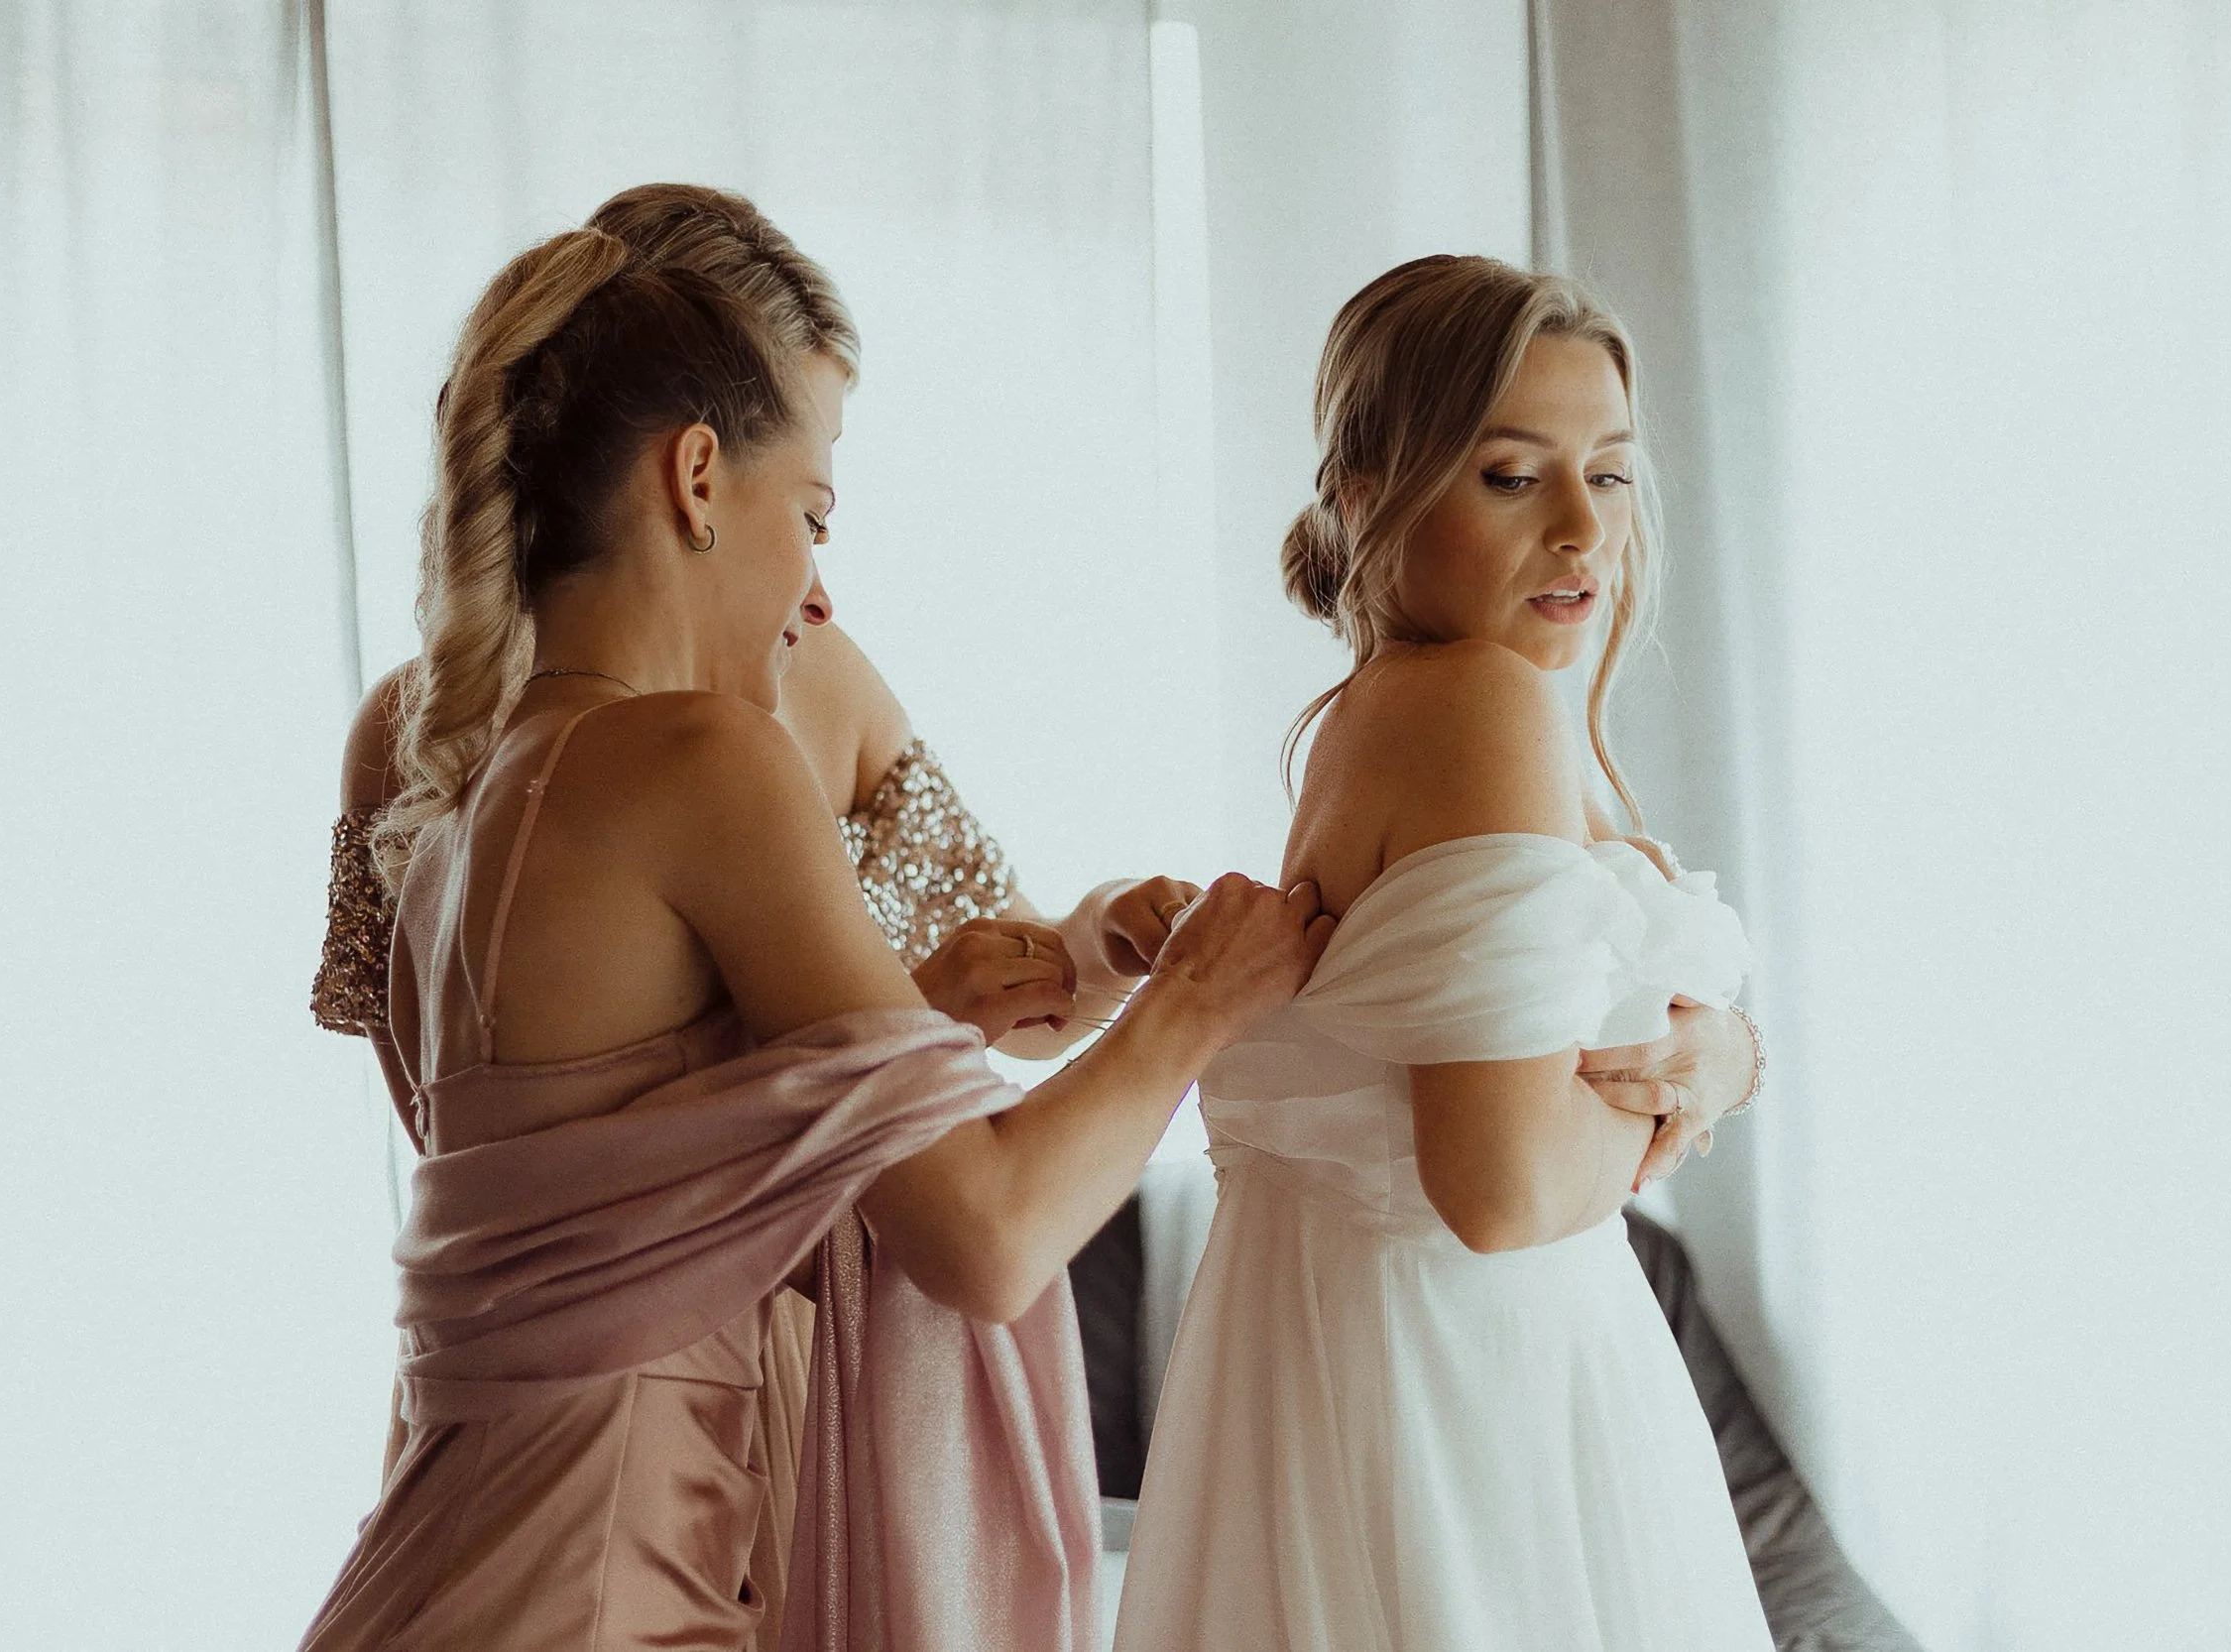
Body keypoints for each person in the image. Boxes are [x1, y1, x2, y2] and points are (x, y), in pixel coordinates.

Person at [296, 220, 1329, 1652]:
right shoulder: (705, 757)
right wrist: (1193, 1009)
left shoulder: (459, 807)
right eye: (819, 513)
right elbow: (984, 1234)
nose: (822, 586)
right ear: (698, 474)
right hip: (606, 1595)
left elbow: (629, 1181)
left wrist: (1008, 985)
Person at [1114, 255, 1775, 1651]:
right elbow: (1503, 1180)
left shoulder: (1403, 705)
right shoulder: (1481, 706)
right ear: (1365, 494)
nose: (1581, 529)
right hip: (1471, 1409)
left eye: (1609, 472)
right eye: (1511, 474)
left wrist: (1715, 1048)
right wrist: (1694, 1086)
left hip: (1402, 1377)